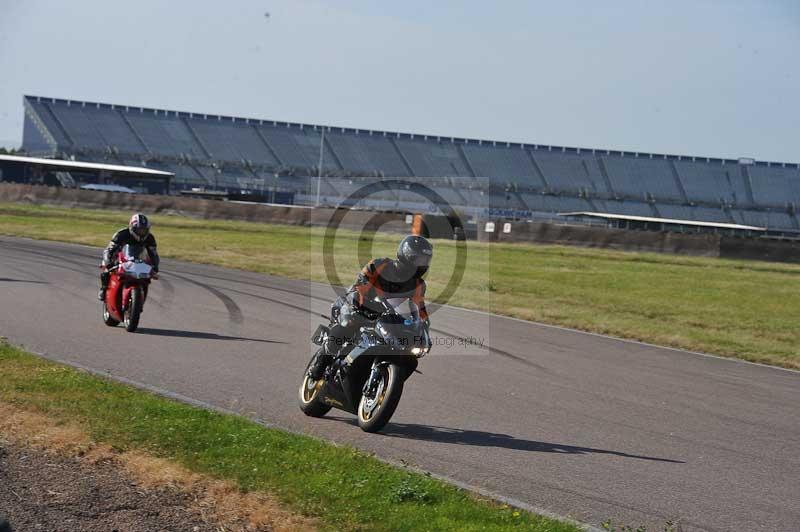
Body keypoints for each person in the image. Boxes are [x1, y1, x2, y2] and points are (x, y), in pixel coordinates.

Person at [308, 235, 433, 380]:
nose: (421, 265)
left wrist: (424, 331)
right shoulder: (380, 265)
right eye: (418, 260)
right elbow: (360, 284)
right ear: (406, 256)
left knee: (402, 346)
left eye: (425, 261)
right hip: (358, 305)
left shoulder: (418, 284)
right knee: (347, 323)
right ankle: (321, 362)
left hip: (385, 316)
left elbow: (420, 310)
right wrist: (363, 302)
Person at [98, 213, 159, 301]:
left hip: (139, 260)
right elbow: (109, 250)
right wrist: (108, 262)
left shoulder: (150, 238)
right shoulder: (121, 234)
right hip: (119, 258)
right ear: (132, 228)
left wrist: (155, 267)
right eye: (139, 230)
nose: (141, 232)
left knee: (146, 278)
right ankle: (103, 289)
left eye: (144, 230)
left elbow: (153, 254)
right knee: (106, 268)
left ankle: (140, 297)